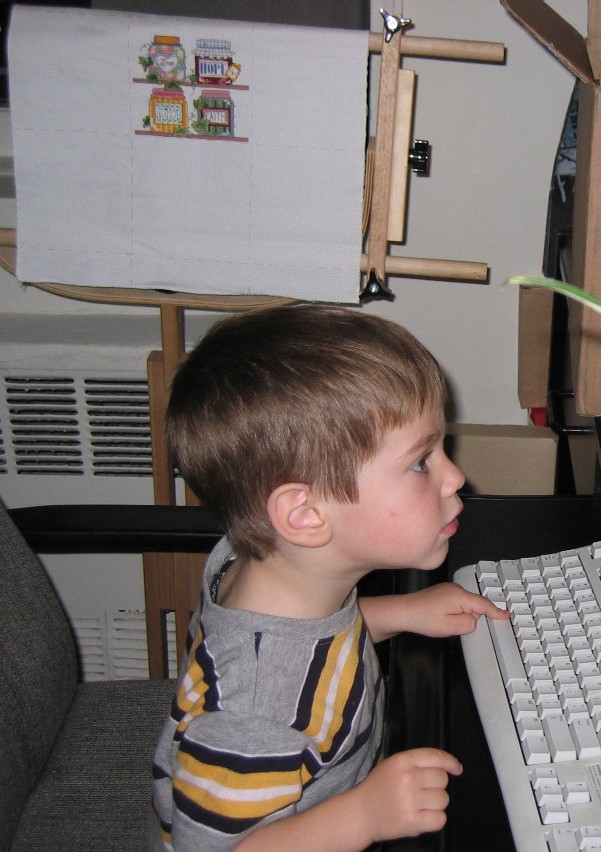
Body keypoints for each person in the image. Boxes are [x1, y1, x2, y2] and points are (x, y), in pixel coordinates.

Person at [149, 304, 508, 851]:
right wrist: (362, 817)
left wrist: (399, 613)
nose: (455, 475)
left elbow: (311, 646)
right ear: (306, 516)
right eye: (421, 461)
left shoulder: (260, 566)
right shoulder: (257, 712)